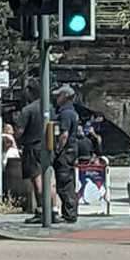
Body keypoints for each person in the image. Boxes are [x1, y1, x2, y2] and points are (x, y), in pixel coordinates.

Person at [15, 85, 48, 220]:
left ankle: (40, 210)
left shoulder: (28, 110)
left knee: (37, 179)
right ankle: (53, 209)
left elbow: (20, 131)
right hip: (47, 146)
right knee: (49, 179)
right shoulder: (48, 108)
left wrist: (17, 137)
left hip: (32, 147)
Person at [51, 86, 82, 223]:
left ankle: (70, 213)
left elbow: (64, 135)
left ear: (64, 96)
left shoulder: (65, 113)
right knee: (68, 182)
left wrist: (58, 149)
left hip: (66, 152)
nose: (56, 99)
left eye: (58, 96)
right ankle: (70, 212)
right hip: (71, 151)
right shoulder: (72, 112)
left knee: (64, 183)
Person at [1, 121, 22, 205]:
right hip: (10, 157)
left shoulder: (8, 137)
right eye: (9, 128)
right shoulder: (7, 137)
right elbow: (7, 145)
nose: (12, 129)